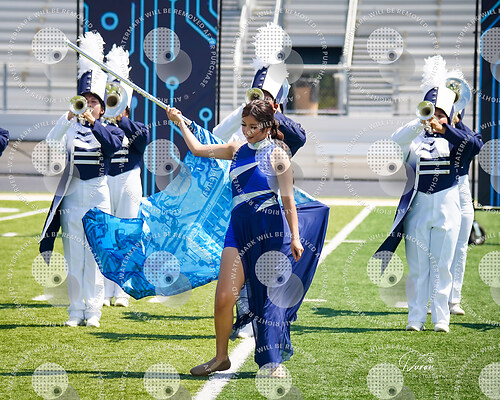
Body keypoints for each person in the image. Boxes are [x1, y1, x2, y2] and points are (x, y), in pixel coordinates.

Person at [166, 100, 324, 375]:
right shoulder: (236, 150)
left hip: (269, 230)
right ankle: (220, 358)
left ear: (267, 126)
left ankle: (272, 362)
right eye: (244, 125)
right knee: (224, 297)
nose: (247, 131)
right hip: (237, 230)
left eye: (253, 127)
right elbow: (197, 149)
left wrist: (296, 238)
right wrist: (179, 122)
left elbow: (288, 200)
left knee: (268, 300)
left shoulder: (278, 155)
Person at [374, 82, 482, 333]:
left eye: (441, 113)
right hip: (418, 208)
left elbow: (475, 145)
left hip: (447, 206)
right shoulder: (414, 140)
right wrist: (420, 121)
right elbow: (395, 140)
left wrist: (447, 128)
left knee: (442, 266)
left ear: (451, 117)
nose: (435, 118)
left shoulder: (456, 140)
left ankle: (441, 318)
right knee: (417, 267)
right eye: (432, 112)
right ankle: (416, 318)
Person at [213, 63, 307, 339]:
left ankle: (267, 319)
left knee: (264, 268)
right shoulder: (245, 120)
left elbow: (300, 138)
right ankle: (243, 316)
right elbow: (217, 134)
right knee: (238, 264)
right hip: (240, 200)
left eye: (265, 96)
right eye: (256, 94)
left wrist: (272, 111)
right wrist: (246, 110)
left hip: (270, 203)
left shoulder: (282, 126)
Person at [39, 32, 124, 328]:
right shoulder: (70, 128)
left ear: (102, 107)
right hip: (73, 196)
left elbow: (112, 146)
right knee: (74, 255)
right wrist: (67, 117)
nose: (88, 105)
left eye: (93, 102)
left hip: (99, 195)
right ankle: (75, 311)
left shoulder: (110, 129)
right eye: (84, 101)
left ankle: (94, 311)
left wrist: (94, 123)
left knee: (95, 255)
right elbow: (50, 142)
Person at [103, 45, 150, 307]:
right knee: (107, 236)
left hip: (129, 180)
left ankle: (121, 291)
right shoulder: (100, 127)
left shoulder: (135, 126)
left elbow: (143, 140)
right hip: (105, 181)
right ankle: (104, 290)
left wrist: (120, 119)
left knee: (127, 235)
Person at [447, 112, 483, 315]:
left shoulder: (460, 134)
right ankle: (434, 298)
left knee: (460, 248)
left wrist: (458, 123)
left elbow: (476, 144)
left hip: (462, 189)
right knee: (439, 248)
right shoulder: (431, 137)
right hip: (441, 190)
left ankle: (454, 300)